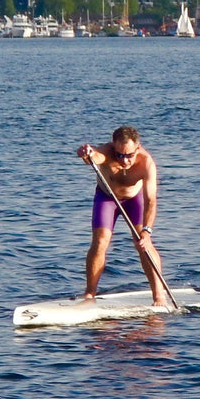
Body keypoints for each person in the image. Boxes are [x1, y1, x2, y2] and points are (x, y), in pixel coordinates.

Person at [76, 126, 168, 306]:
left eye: (129, 155)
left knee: (143, 244)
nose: (124, 160)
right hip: (106, 199)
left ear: (138, 148)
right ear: (113, 147)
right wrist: (86, 154)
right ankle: (89, 294)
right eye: (119, 155)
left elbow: (151, 200)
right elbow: (94, 157)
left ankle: (159, 296)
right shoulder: (107, 151)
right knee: (100, 241)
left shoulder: (146, 163)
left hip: (134, 201)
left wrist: (147, 232)